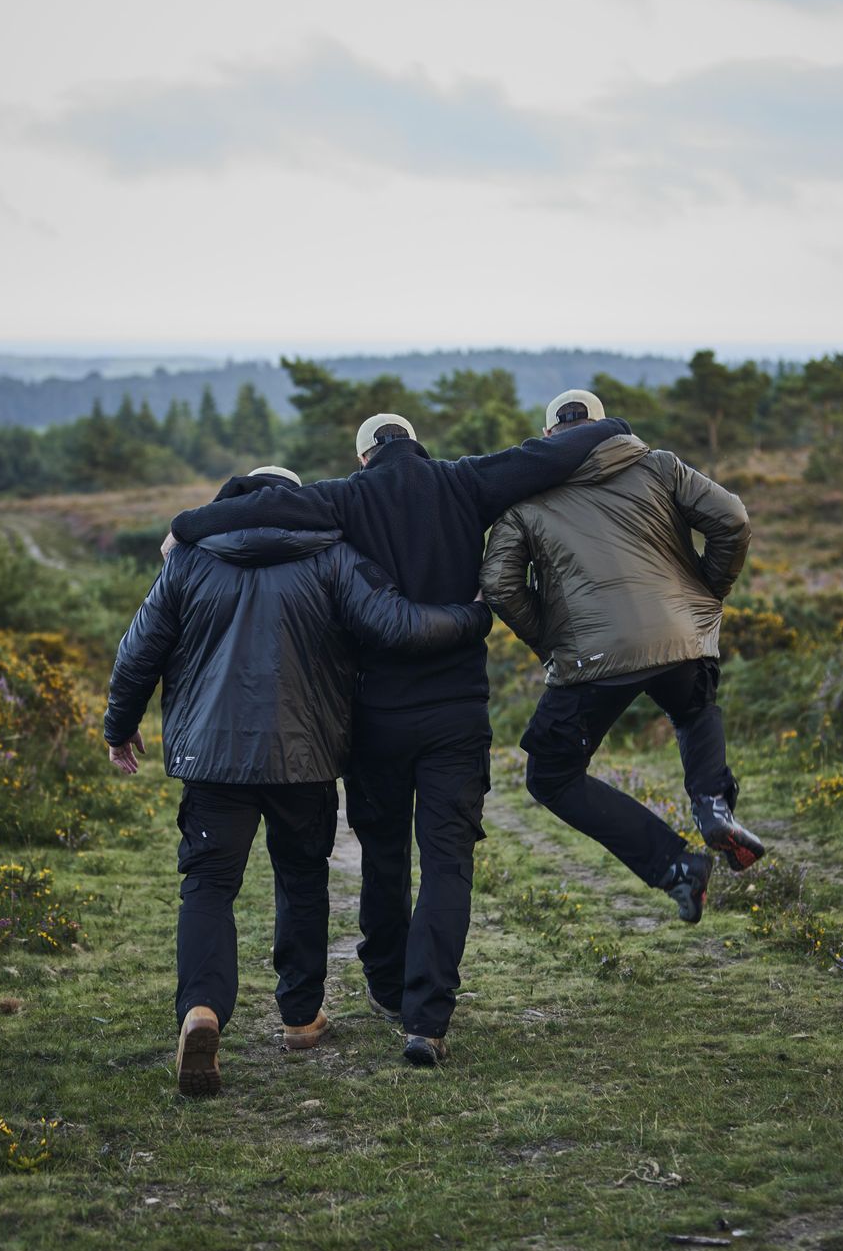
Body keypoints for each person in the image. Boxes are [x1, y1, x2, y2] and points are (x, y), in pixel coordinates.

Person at [166, 413, 630, 1066]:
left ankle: (385, 984)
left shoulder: (343, 497)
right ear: (418, 443)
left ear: (363, 455)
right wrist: (610, 425)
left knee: (384, 856)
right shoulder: (466, 481)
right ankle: (426, 1020)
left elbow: (269, 505)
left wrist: (187, 525)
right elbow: (540, 459)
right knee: (447, 860)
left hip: (377, 717)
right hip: (456, 716)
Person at [105, 466, 490, 1094]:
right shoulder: (331, 557)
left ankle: (202, 1010)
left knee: (207, 885)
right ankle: (300, 1017)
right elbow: (396, 625)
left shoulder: (190, 560)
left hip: (211, 758)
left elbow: (139, 649)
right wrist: (472, 615)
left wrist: (119, 725)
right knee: (303, 880)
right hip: (304, 757)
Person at [479, 390, 763, 925]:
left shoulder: (526, 495)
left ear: (548, 439)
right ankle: (713, 804)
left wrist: (552, 638)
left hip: (590, 657)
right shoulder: (658, 466)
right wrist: (705, 592)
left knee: (551, 777)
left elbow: (497, 583)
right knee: (693, 709)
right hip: (681, 637)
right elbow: (733, 520)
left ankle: (677, 866)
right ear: (605, 427)